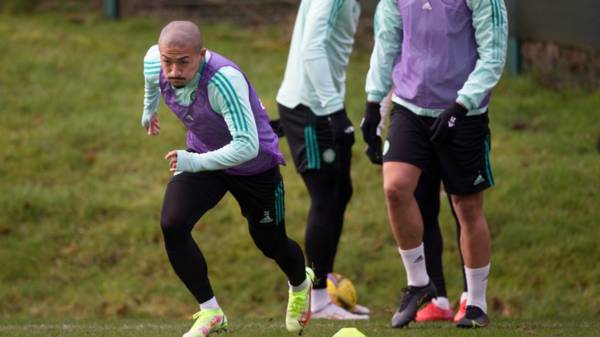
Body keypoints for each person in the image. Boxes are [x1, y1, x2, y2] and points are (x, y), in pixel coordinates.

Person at [141, 21, 314, 337]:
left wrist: (193, 161)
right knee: (173, 223)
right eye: (168, 61)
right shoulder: (156, 60)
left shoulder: (223, 81)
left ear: (201, 55)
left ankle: (301, 283)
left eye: (183, 62)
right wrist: (148, 110)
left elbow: (247, 146)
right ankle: (211, 313)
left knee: (270, 242)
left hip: (254, 166)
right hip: (206, 157)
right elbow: (151, 79)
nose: (174, 70)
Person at [361, 0, 508, 328]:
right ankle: (418, 284)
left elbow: (494, 56)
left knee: (466, 206)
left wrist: (461, 105)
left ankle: (476, 304)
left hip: (464, 111)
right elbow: (387, 42)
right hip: (409, 106)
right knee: (395, 187)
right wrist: (373, 103)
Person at [274, 0, 369, 320]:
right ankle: (317, 300)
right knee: (326, 198)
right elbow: (311, 49)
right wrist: (335, 111)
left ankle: (324, 288)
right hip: (312, 109)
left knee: (341, 193)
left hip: (315, 107)